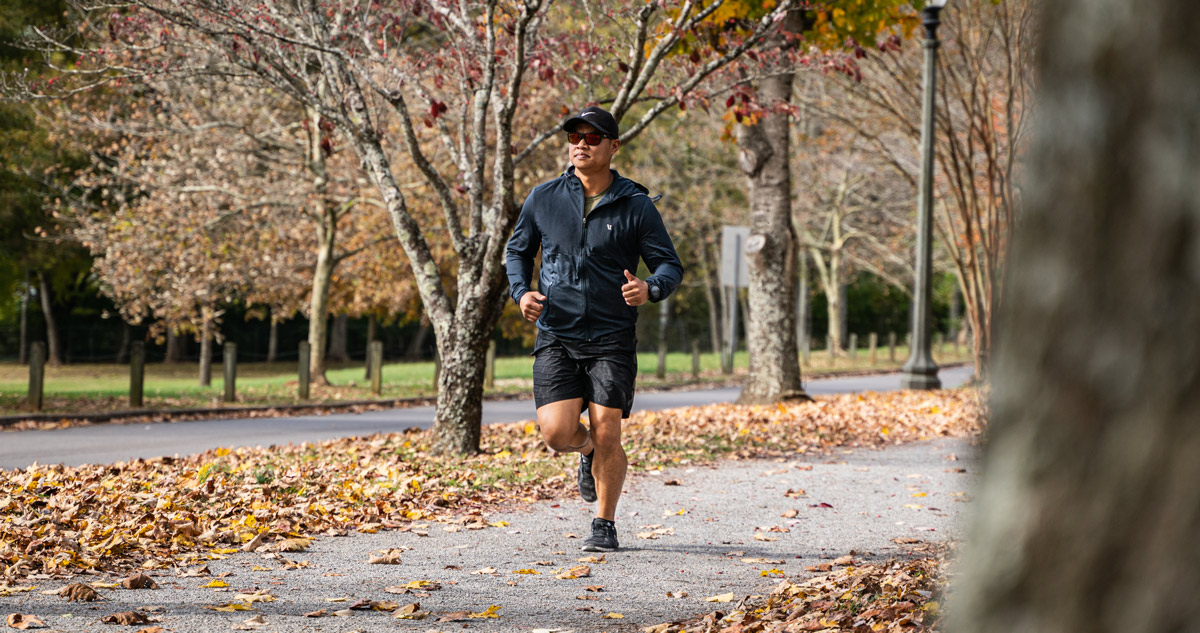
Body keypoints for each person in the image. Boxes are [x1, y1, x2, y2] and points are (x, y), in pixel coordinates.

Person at [505, 106, 684, 552]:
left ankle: (603, 522)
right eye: (574, 136)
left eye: (592, 136)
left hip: (611, 336)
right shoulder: (543, 197)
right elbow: (517, 252)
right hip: (557, 332)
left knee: (608, 430)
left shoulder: (636, 205)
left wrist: (651, 288)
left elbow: (669, 265)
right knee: (556, 433)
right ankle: (585, 454)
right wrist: (520, 293)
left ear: (613, 146)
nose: (581, 143)